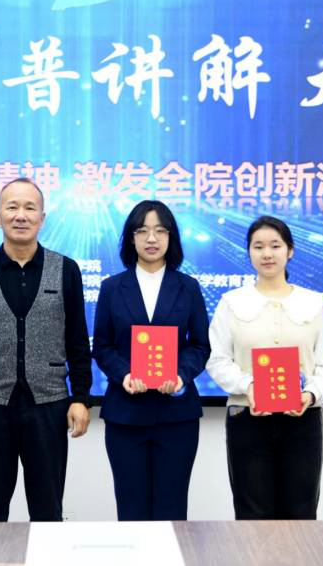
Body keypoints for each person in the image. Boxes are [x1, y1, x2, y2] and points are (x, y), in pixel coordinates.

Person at [0, 178, 93, 522]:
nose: (20, 215)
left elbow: (77, 340)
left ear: (42, 217)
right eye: (12, 207)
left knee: (48, 509)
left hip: (49, 404)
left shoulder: (66, 270)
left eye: (30, 208)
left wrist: (81, 398)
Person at [206, 215, 323, 520]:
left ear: (289, 251)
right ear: (249, 252)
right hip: (247, 417)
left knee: (301, 512)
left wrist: (309, 394)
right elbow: (217, 360)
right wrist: (249, 386)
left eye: (275, 245)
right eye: (258, 247)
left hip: (302, 419)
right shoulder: (231, 302)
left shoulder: (313, 303)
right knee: (252, 513)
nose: (267, 254)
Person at [92, 200, 210, 521]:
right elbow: (102, 346)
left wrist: (181, 375)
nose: (152, 238)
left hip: (177, 418)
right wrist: (124, 375)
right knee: (131, 510)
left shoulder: (188, 288)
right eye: (142, 231)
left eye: (160, 230)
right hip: (125, 416)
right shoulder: (112, 288)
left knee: (172, 510)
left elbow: (200, 345)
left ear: (171, 237)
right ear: (131, 238)